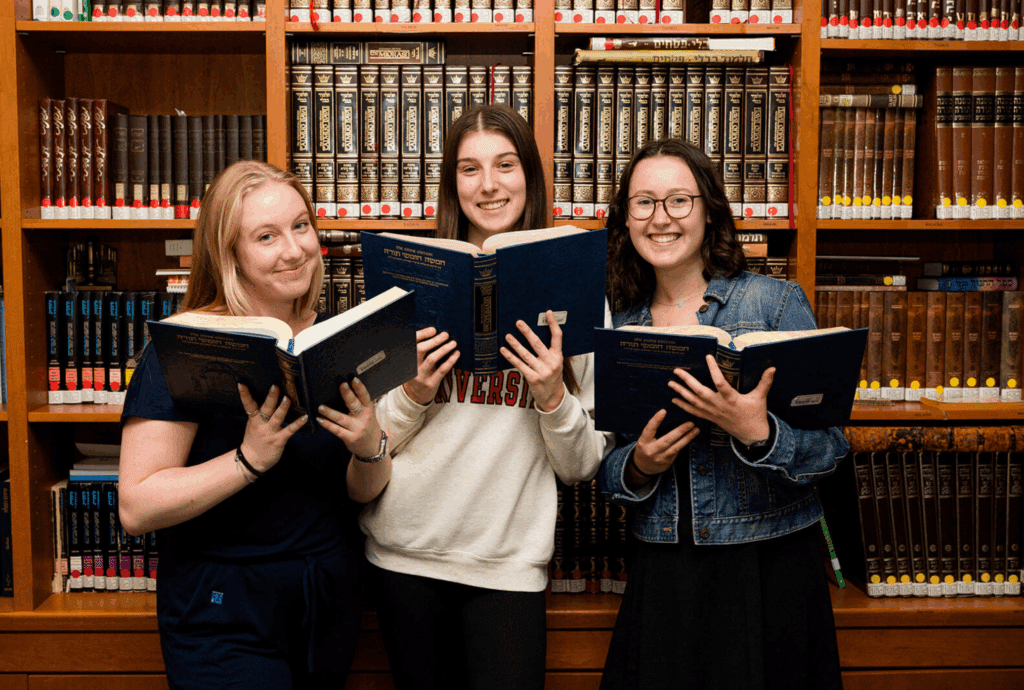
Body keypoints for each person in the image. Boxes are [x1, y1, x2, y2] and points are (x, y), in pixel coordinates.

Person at [359, 104, 612, 690]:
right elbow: (370, 444)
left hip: (508, 566)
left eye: (506, 164)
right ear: (452, 184)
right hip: (404, 557)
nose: (489, 184)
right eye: (469, 169)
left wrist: (552, 398)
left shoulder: (574, 288)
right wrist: (416, 393)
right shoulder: (407, 284)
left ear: (530, 175)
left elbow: (582, 467)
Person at [118, 161, 390, 689]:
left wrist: (368, 447)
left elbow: (360, 495)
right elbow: (137, 505)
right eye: (266, 236)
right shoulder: (183, 348)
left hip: (325, 607)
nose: (294, 250)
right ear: (230, 255)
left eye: (301, 226)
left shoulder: (335, 340)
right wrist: (247, 462)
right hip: (224, 612)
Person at [597, 139, 849, 690]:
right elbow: (609, 468)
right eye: (642, 203)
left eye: (678, 201)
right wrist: (639, 465)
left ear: (709, 210)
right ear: (625, 219)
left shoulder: (774, 304)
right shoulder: (620, 324)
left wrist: (758, 433)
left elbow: (831, 449)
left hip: (770, 567)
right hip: (665, 571)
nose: (660, 219)